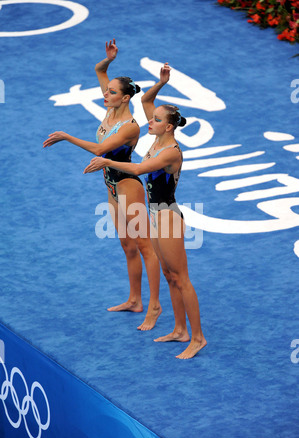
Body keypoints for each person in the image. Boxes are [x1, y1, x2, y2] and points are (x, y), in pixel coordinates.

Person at [84, 63, 207, 359]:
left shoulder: (170, 152)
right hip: (156, 215)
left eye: (155, 121)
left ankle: (198, 337)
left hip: (168, 217)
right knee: (169, 275)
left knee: (181, 277)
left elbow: (138, 169)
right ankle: (179, 330)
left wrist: (108, 162)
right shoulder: (157, 139)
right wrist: (161, 83)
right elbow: (145, 101)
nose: (148, 122)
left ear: (169, 126)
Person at [43, 39, 162, 331]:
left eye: (111, 92)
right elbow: (99, 71)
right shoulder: (112, 108)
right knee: (126, 245)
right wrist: (108, 61)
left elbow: (100, 150)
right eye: (107, 91)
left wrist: (67, 136)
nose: (105, 94)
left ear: (124, 98)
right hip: (110, 188)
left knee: (145, 246)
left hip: (127, 185)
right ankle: (135, 300)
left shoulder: (130, 126)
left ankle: (155, 306)